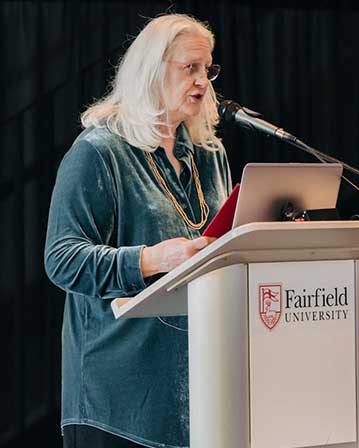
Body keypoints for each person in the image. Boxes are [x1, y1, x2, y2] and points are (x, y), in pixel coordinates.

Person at [44, 14, 231, 448]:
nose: (203, 81)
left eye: (208, 68)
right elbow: (62, 258)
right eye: (190, 68)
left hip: (202, 395)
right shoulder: (97, 152)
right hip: (119, 402)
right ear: (153, 70)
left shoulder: (208, 152)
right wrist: (153, 259)